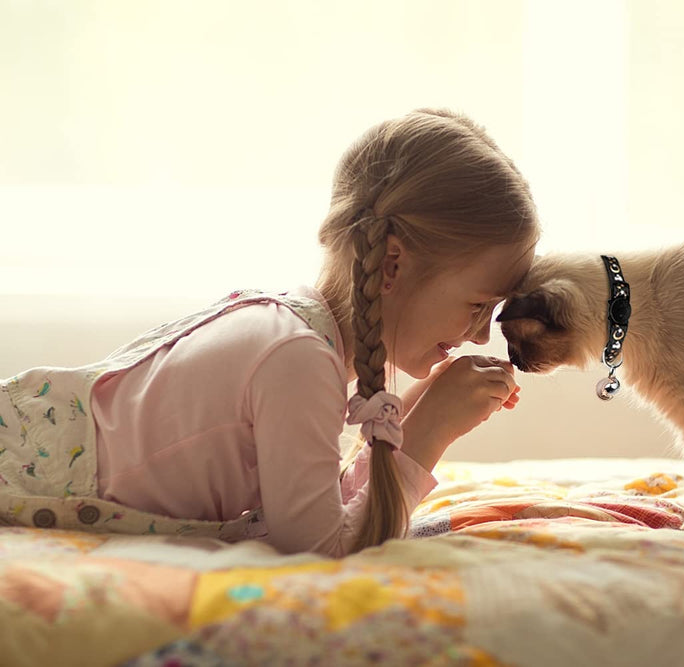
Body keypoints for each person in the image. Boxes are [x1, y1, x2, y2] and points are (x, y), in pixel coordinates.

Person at [0, 108, 539, 557]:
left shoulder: (301, 336)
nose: (481, 336)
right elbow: (321, 548)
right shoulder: (297, 359)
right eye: (477, 305)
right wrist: (432, 431)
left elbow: (315, 510)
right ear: (392, 266)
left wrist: (418, 409)